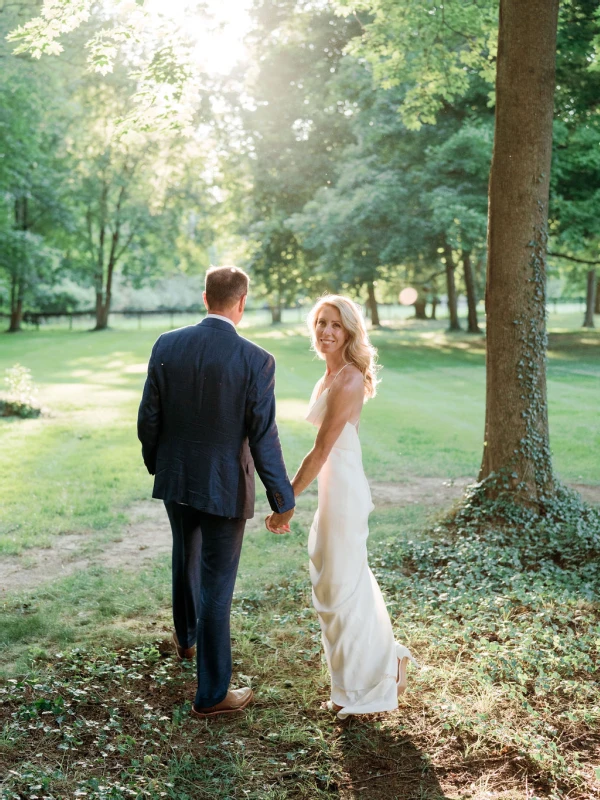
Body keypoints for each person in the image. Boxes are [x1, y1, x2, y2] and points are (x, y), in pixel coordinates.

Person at [138, 266, 295, 718]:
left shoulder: (166, 345)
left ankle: (186, 640)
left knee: (184, 553)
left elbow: (148, 418)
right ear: (241, 303)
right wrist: (281, 500)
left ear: (205, 298)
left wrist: (160, 465)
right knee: (217, 585)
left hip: (177, 478)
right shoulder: (257, 359)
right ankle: (211, 695)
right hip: (225, 485)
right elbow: (263, 435)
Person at [267, 295, 416, 719]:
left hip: (345, 493)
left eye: (335, 325)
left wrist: (285, 502)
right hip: (334, 492)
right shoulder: (326, 378)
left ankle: (362, 685)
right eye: (320, 324)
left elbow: (320, 451)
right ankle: (374, 670)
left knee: (341, 588)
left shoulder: (349, 379)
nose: (326, 332)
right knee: (333, 585)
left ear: (349, 331)